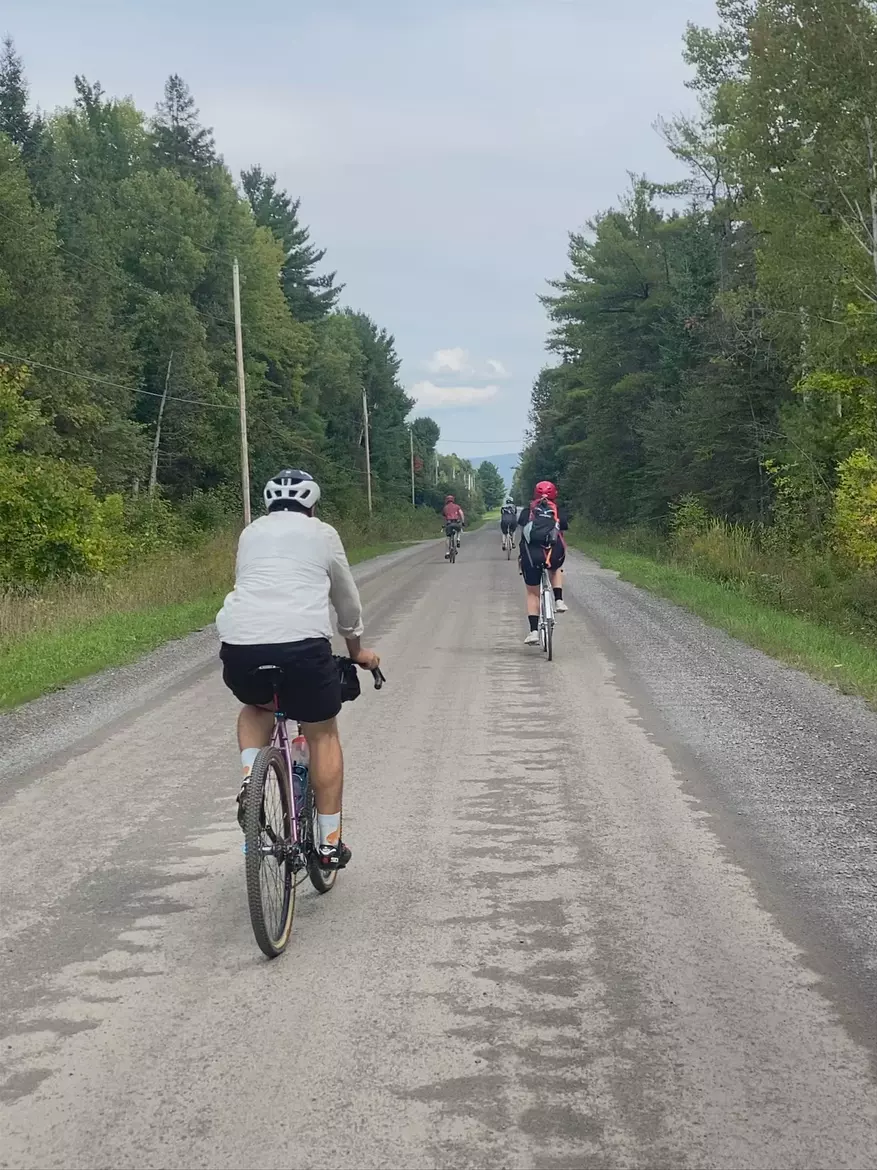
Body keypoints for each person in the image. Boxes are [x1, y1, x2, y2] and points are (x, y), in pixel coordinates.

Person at [215, 469, 380, 870]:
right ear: (312, 505)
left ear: (269, 504)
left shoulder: (250, 533)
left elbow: (249, 584)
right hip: (302, 646)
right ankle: (327, 845)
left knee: (256, 707)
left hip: (239, 644)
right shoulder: (322, 533)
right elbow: (347, 601)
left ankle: (249, 783)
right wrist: (355, 649)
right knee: (322, 733)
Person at [518, 480, 570, 645]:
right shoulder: (558, 511)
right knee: (555, 570)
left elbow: (523, 530)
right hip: (553, 553)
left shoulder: (528, 512)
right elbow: (563, 528)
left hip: (532, 556)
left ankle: (533, 632)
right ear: (555, 494)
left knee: (533, 593)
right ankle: (559, 600)